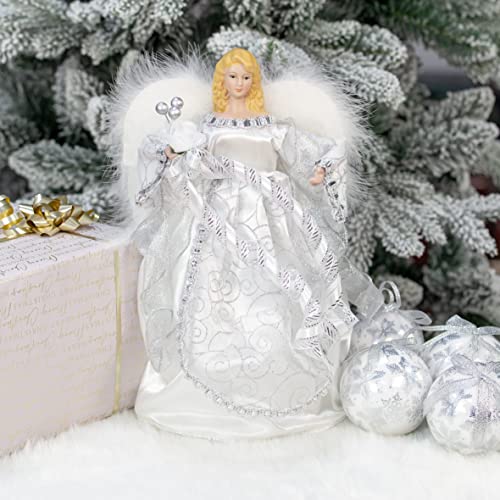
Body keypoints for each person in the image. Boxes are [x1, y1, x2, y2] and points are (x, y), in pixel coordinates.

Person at [131, 48, 363, 440]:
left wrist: (322, 169)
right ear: (221, 81)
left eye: (246, 77)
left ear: (253, 82)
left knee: (275, 296)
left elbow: (313, 151)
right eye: (232, 77)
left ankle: (279, 369)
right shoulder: (205, 128)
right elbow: (177, 160)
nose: (239, 84)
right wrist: (176, 155)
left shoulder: (273, 128)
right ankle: (205, 379)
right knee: (211, 292)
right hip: (217, 217)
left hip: (270, 216)